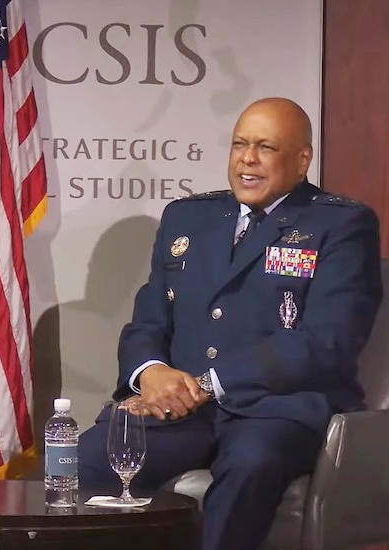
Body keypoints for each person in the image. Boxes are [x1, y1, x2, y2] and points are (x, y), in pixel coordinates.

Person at [77, 98, 382, 550]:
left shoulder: (340, 224)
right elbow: (148, 322)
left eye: (265, 147)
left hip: (277, 410)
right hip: (182, 411)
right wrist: (151, 375)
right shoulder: (189, 218)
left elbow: (326, 342)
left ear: (302, 160)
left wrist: (207, 382)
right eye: (240, 144)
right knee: (83, 461)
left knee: (250, 465)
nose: (247, 159)